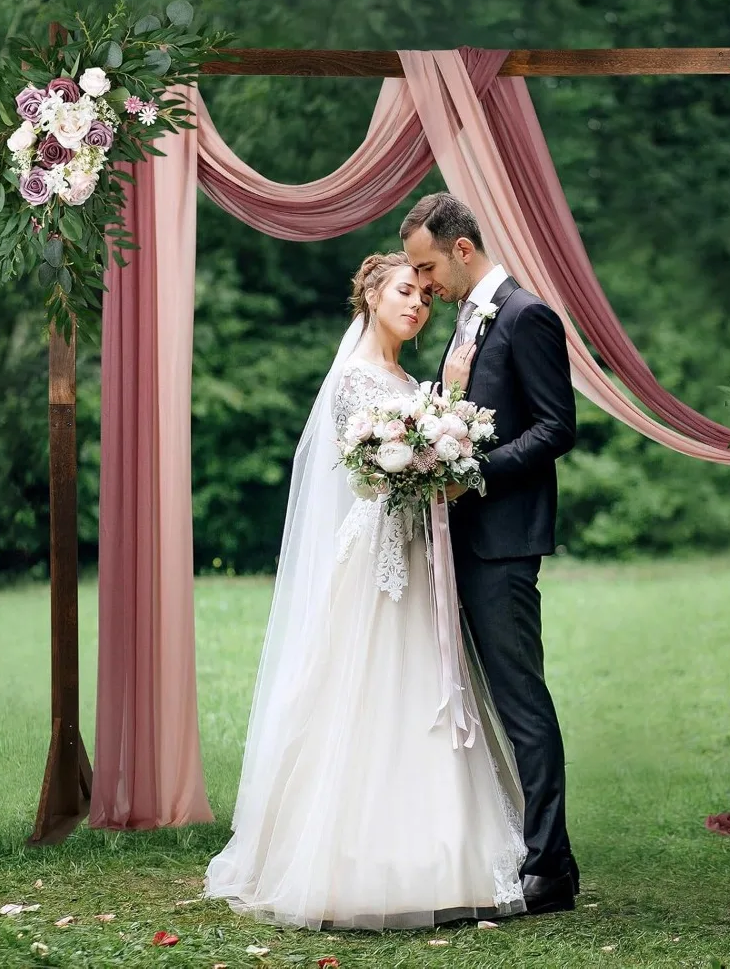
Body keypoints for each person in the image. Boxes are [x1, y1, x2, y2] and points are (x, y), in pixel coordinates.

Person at [204, 251, 527, 930]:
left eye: (425, 297)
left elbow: (431, 455)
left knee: (427, 688)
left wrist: (446, 427)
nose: (417, 304)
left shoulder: (414, 378)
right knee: (363, 689)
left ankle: (445, 854)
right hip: (378, 552)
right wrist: (418, 462)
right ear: (372, 297)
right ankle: (344, 859)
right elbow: (363, 477)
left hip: (420, 549)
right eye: (404, 292)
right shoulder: (354, 379)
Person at [401, 193, 580, 915]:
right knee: (485, 700)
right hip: (462, 541)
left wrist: (470, 473)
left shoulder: (525, 316)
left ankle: (550, 870)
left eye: (427, 265)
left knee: (520, 701)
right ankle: (511, 849)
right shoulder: (467, 323)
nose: (424, 282)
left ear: (463, 249)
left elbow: (555, 427)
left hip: (503, 543)